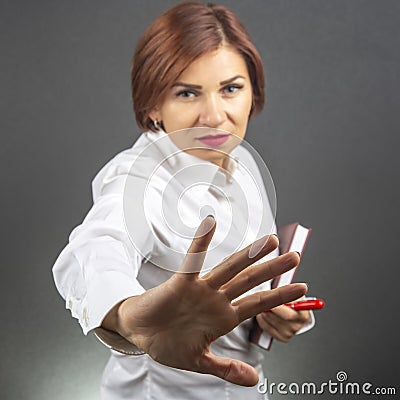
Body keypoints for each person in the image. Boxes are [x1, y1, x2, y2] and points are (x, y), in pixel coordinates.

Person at [52, 2, 314, 399]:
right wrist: (126, 313)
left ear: (252, 92)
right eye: (187, 93)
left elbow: (235, 289)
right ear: (153, 104)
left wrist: (274, 316)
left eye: (230, 89)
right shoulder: (136, 178)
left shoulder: (242, 162)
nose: (214, 116)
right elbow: (96, 246)